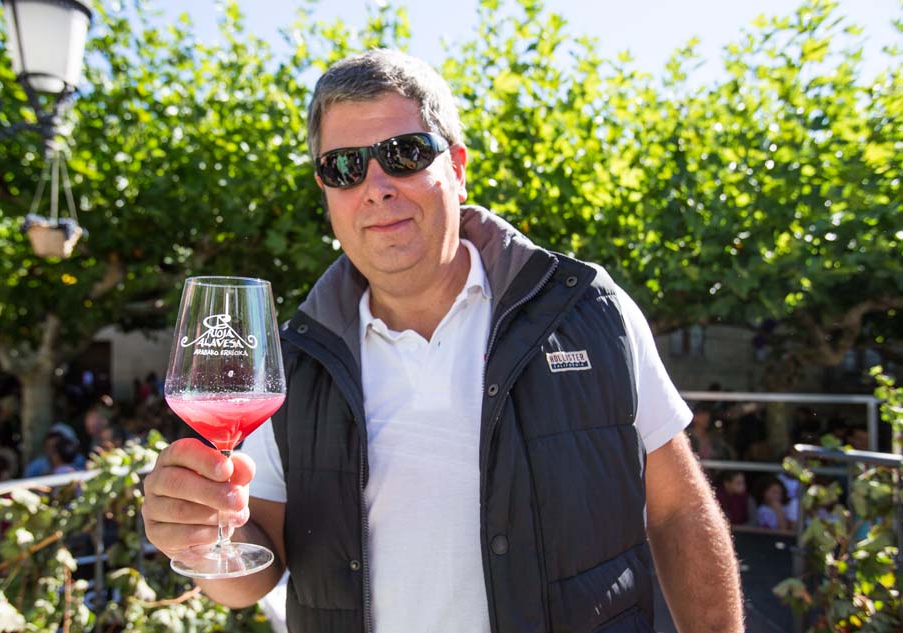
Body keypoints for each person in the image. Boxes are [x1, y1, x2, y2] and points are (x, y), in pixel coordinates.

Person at [142, 49, 743, 632]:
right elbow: (253, 575)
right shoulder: (296, 360)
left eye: (404, 154)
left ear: (456, 168)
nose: (376, 187)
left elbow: (679, 510)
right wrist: (197, 532)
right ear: (326, 192)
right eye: (344, 167)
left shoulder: (588, 309)